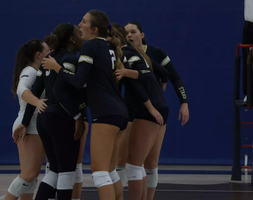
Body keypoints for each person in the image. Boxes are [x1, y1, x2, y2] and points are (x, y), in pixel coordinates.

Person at [41, 10, 132, 200]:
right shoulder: (110, 46)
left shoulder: (90, 47)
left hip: (105, 113)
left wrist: (56, 67)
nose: (80, 25)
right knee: (110, 171)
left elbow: (76, 81)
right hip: (120, 112)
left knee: (100, 173)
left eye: (83, 22)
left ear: (95, 28)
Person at [14, 23, 85, 200]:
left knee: (54, 171)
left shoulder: (49, 59)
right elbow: (59, 92)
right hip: (61, 118)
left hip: (43, 120)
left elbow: (36, 91)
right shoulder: (70, 59)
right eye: (79, 33)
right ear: (71, 38)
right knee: (67, 172)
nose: (82, 35)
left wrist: (25, 121)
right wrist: (78, 116)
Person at [123, 21, 190, 200]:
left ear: (142, 34)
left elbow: (174, 77)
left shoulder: (156, 53)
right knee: (128, 161)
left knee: (150, 163)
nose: (129, 35)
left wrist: (184, 103)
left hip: (153, 112)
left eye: (133, 32)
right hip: (130, 111)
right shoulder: (124, 53)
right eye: (126, 33)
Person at [112, 23, 169, 200]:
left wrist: (152, 106)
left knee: (134, 165)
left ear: (116, 38)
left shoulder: (128, 55)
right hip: (146, 109)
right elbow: (162, 72)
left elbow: (146, 76)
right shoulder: (132, 53)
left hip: (149, 110)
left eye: (108, 37)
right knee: (134, 165)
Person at [5, 39, 50, 200]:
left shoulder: (40, 72)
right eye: (48, 50)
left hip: (37, 125)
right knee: (29, 173)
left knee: (33, 176)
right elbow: (22, 90)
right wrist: (37, 102)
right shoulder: (29, 71)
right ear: (39, 55)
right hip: (28, 125)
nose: (51, 52)